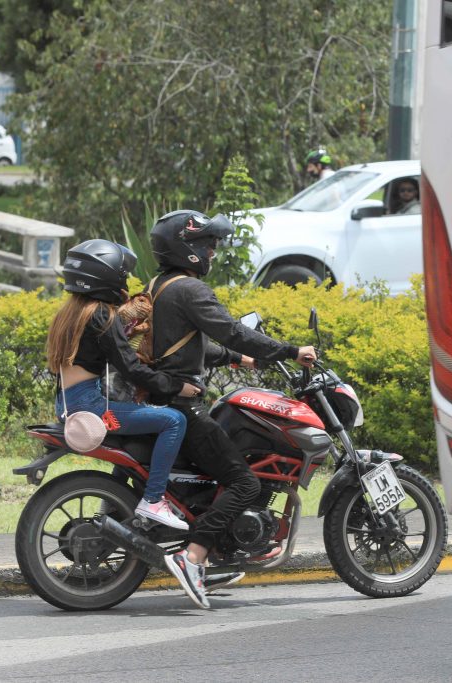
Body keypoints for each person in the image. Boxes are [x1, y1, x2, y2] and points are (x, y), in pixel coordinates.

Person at [144, 209, 317, 609]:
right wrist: (290, 351)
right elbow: (233, 331)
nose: (212, 252)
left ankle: (214, 552)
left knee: (223, 471)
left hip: (159, 398)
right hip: (181, 406)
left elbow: (187, 343)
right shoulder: (190, 289)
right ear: (186, 248)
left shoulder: (159, 286)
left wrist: (240, 360)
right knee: (245, 483)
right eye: (207, 244)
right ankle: (193, 557)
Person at [45, 239, 203, 534]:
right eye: (123, 275)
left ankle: (113, 505)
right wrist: (174, 387)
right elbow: (132, 368)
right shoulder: (101, 315)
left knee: (140, 424)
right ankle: (153, 501)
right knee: (173, 420)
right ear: (106, 276)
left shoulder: (71, 313)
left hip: (68, 402)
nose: (126, 283)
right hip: (91, 406)